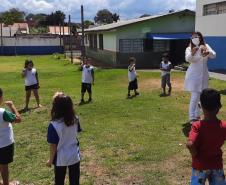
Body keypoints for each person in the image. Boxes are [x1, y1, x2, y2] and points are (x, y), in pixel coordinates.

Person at [187, 88, 226, 185]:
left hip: (199, 166)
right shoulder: (224, 126)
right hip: (216, 164)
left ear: (200, 106)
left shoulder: (197, 125)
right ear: (219, 107)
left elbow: (190, 144)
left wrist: (195, 155)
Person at [47, 92, 81, 185]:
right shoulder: (75, 119)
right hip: (74, 155)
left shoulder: (53, 125)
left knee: (59, 181)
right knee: (75, 181)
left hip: (60, 158)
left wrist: (50, 160)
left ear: (56, 108)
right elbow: (75, 132)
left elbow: (53, 146)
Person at [184, 32, 216, 124]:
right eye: (193, 37)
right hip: (193, 76)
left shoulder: (206, 46)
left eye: (197, 37)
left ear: (200, 37)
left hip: (204, 75)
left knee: (201, 97)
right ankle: (192, 117)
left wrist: (208, 52)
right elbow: (188, 59)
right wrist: (194, 53)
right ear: (191, 39)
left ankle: (197, 115)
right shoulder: (189, 48)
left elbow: (214, 55)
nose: (195, 38)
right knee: (194, 97)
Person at [0, 88, 21, 185]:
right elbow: (18, 119)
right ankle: (6, 184)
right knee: (4, 165)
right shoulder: (3, 112)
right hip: (4, 144)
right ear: (0, 98)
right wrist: (12, 106)